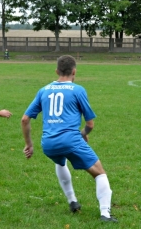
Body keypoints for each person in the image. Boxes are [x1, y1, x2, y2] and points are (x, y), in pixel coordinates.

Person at [21, 55, 117, 222]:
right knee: (100, 173)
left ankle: (72, 201)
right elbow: (90, 124)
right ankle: (105, 215)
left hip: (48, 143)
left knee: (60, 161)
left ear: (57, 71)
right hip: (71, 140)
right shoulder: (78, 90)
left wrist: (29, 144)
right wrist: (83, 134)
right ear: (74, 71)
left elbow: (24, 119)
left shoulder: (43, 90)